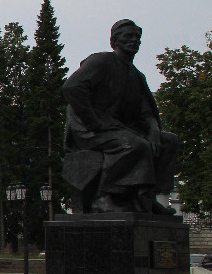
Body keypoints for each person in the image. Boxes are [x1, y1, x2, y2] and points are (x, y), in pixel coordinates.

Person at [62, 19, 179, 214]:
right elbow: (72, 87)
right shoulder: (101, 61)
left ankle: (146, 198)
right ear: (114, 41)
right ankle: (104, 198)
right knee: (134, 145)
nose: (134, 40)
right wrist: (93, 121)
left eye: (137, 37)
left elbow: (145, 112)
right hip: (89, 129)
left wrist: (153, 130)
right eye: (128, 36)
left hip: (117, 128)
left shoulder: (136, 75)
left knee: (168, 141)